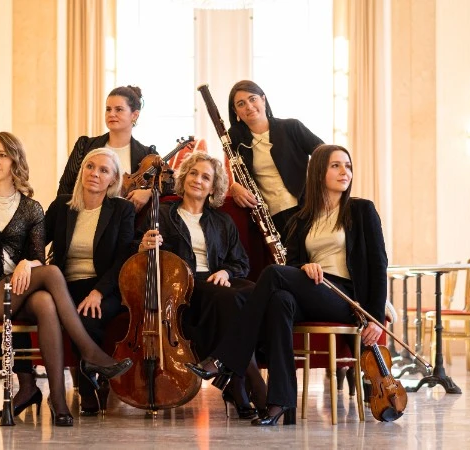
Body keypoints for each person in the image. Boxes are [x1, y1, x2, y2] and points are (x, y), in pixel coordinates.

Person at [0, 132, 132, 427]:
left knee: (44, 302)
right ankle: (90, 353)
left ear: (15, 160)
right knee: (52, 273)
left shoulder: (32, 209)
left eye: (2, 154)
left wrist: (27, 264)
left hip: (16, 287)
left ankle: (55, 397)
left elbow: (37, 255)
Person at [186, 144, 388, 426]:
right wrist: (304, 267)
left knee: (272, 274)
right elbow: (293, 266)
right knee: (280, 301)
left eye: (348, 166)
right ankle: (280, 402)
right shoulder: (302, 218)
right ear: (319, 173)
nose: (345, 172)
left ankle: (225, 358)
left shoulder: (361, 210)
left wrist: (375, 317)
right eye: (336, 166)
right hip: (312, 289)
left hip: (345, 297)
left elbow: (379, 265)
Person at [137, 151, 267, 419]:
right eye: (193, 173)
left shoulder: (222, 221)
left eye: (205, 177)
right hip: (183, 285)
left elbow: (240, 262)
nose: (198, 180)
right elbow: (140, 255)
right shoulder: (162, 213)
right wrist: (143, 246)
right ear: (184, 178)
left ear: (213, 187)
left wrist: (225, 273)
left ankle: (228, 373)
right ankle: (251, 384)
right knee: (229, 299)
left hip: (216, 282)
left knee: (256, 293)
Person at [45, 148, 135, 416]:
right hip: (64, 285)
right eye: (90, 167)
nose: (95, 174)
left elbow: (123, 258)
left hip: (106, 285)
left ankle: (87, 388)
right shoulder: (62, 206)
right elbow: (37, 240)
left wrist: (98, 291)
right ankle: (92, 384)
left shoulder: (122, 209)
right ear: (82, 170)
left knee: (87, 315)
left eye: (104, 170)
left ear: (113, 179)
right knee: (72, 309)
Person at [226, 80, 324, 238]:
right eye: (241, 104)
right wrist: (233, 186)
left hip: (305, 210)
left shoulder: (291, 127)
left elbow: (326, 155)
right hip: (271, 219)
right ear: (235, 110)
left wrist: (315, 184)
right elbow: (227, 171)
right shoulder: (235, 139)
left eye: (253, 99)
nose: (249, 107)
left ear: (263, 99)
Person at [57, 85, 157, 211]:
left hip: (128, 226)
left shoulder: (147, 155)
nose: (111, 114)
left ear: (135, 115)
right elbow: (66, 186)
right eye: (108, 109)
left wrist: (150, 193)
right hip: (83, 216)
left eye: (119, 109)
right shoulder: (84, 145)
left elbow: (168, 188)